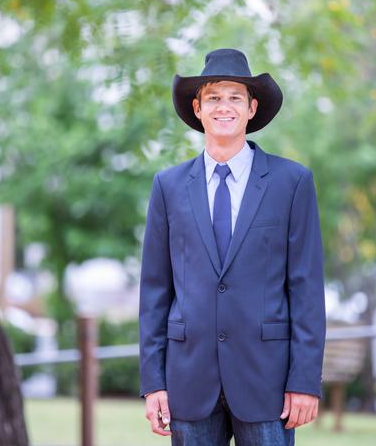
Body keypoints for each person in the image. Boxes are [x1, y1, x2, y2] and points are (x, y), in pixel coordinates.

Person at [139, 48, 325, 446]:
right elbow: (155, 291)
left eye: (235, 97)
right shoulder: (168, 187)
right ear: (198, 108)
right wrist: (153, 382)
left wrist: (305, 381)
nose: (224, 107)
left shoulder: (291, 183)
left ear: (252, 108)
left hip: (268, 384)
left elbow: (306, 289)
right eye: (213, 98)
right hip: (189, 382)